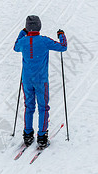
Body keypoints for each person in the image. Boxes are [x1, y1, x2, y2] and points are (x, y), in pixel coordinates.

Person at [13, 15, 67, 149]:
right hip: (41, 81)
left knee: (29, 107)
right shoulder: (44, 41)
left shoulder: (23, 42)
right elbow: (63, 47)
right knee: (43, 107)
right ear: (39, 26)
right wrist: (61, 35)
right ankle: (42, 137)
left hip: (26, 80)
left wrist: (23, 31)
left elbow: (15, 46)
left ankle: (28, 135)